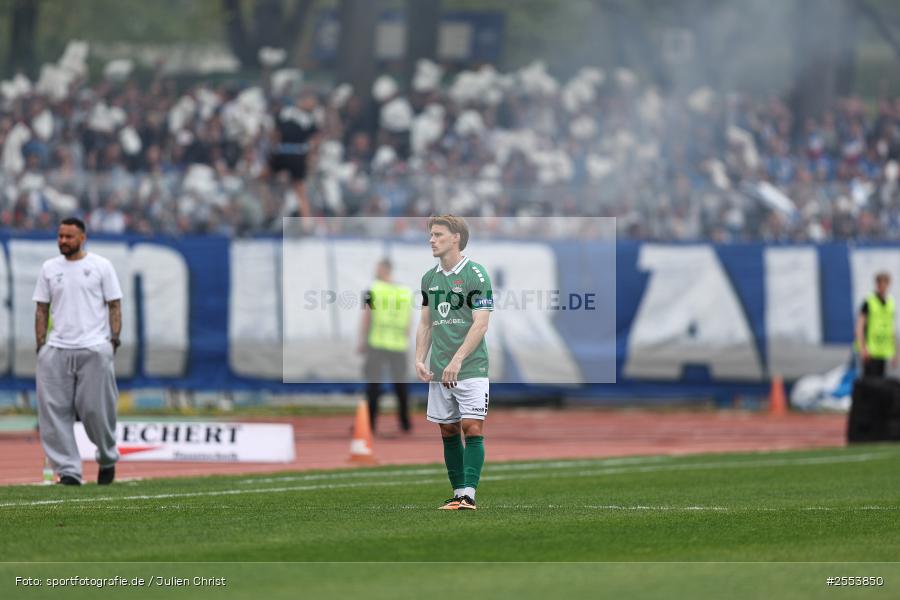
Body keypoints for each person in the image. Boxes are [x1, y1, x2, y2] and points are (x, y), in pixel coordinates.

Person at [33, 217, 123, 485]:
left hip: (94, 347)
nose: (63, 241)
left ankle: (107, 457)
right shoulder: (49, 268)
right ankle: (69, 470)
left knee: (97, 411)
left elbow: (114, 304)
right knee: (53, 414)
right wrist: (41, 346)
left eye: (68, 237)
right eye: (60, 236)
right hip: (57, 349)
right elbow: (41, 308)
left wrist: (113, 341)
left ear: (82, 238)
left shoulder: (101, 266)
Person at [415, 215, 493, 511]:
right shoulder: (428, 278)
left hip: (471, 368)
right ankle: (458, 493)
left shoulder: (476, 274)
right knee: (447, 430)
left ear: (456, 237)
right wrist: (419, 358)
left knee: (472, 428)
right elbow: (426, 323)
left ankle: (469, 496)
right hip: (439, 369)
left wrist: (458, 359)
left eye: (437, 234)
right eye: (431, 235)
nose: (431, 240)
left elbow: (481, 324)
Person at [359, 258, 413, 433]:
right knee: (401, 386)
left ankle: (370, 423)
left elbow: (367, 317)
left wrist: (362, 340)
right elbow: (409, 320)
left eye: (377, 267)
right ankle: (405, 423)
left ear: (384, 269)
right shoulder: (404, 292)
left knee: (373, 385)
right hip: (398, 344)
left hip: (377, 342)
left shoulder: (372, 289)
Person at [855, 271, 898, 378]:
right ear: (877, 284)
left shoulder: (890, 303)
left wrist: (895, 351)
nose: (883, 287)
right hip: (870, 350)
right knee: (869, 382)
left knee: (880, 385)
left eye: (885, 284)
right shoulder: (869, 301)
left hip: (883, 350)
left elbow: (891, 328)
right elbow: (860, 326)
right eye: (880, 284)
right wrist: (862, 348)